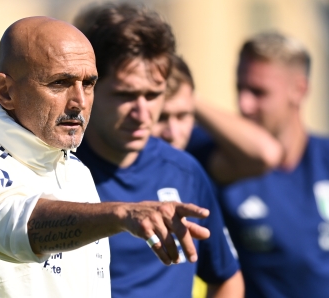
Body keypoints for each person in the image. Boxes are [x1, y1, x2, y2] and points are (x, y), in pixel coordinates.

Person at [0, 16, 212, 297]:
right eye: (59, 83)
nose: (79, 102)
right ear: (5, 91)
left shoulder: (76, 170)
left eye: (89, 83)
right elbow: (18, 224)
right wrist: (122, 214)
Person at [72, 3, 243, 298]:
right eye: (125, 95)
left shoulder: (184, 171)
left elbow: (227, 278)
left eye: (153, 95)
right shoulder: (54, 170)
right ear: (90, 88)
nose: (142, 113)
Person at [188, 32, 329, 298]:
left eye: (258, 92)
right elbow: (264, 153)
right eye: (240, 88)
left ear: (299, 90)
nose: (244, 104)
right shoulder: (224, 161)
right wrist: (187, 96)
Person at [152, 55, 283, 184]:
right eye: (160, 118)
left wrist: (188, 95)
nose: (173, 133)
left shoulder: (194, 152)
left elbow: (266, 154)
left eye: (182, 116)